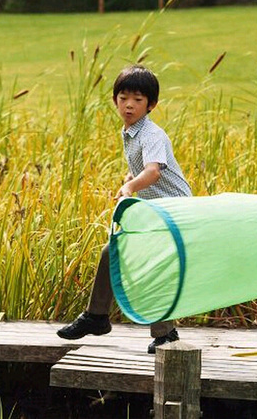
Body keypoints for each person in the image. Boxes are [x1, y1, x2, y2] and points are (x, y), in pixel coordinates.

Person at [57, 65, 192, 354]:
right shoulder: (130, 131)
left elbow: (154, 172)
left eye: (138, 99)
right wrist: (131, 179)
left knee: (149, 264)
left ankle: (165, 334)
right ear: (115, 100)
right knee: (112, 252)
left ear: (151, 105)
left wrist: (131, 188)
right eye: (123, 97)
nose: (129, 105)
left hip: (175, 213)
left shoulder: (152, 134)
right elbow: (143, 169)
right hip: (155, 211)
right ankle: (97, 316)